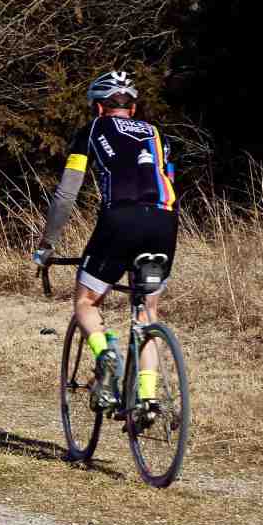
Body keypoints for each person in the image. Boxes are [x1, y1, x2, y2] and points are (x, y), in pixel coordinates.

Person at [32, 71, 177, 409]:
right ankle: (148, 399)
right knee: (147, 311)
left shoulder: (91, 131)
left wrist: (47, 244)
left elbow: (67, 194)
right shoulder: (160, 136)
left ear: (98, 108)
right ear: (134, 108)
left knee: (86, 302)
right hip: (165, 220)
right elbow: (167, 179)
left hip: (120, 220)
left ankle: (105, 353)